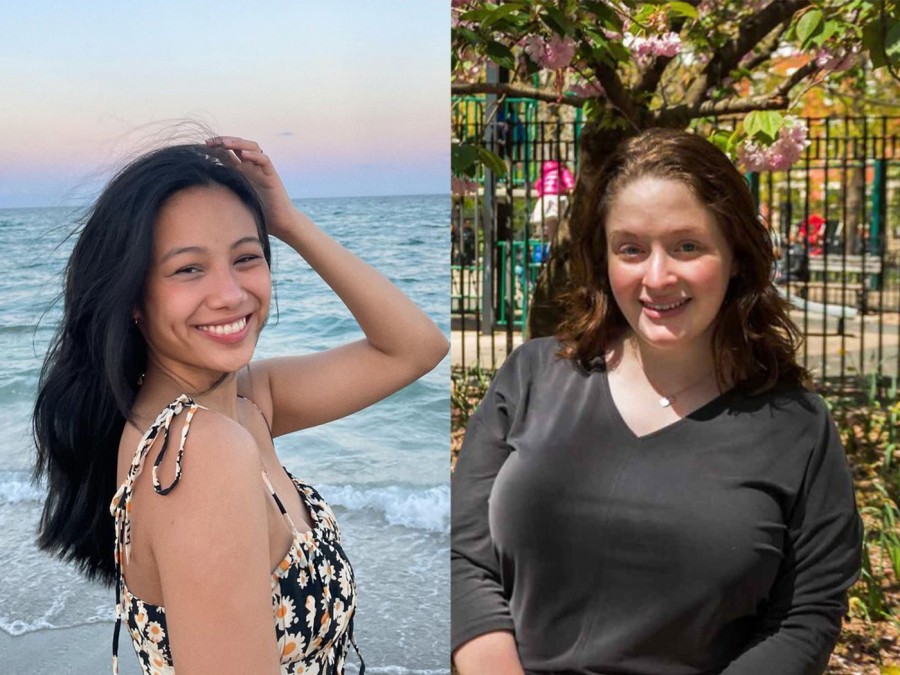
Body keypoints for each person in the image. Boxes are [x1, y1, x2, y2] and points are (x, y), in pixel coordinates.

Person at [452, 129, 862, 674]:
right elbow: (462, 554)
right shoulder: (533, 377)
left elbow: (804, 618)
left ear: (736, 255)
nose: (657, 276)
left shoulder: (797, 428)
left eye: (687, 246)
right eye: (632, 249)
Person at [33, 136, 448, 674]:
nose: (230, 294)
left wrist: (289, 223)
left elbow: (415, 348)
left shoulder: (245, 402)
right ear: (134, 299)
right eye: (188, 269)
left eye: (246, 258)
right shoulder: (197, 454)